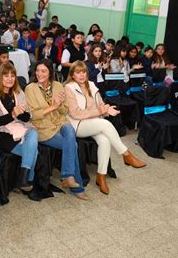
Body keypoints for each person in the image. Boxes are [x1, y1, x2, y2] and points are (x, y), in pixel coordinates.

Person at [65, 61, 146, 194]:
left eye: (83, 72)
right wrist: (101, 111)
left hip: (93, 122)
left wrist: (107, 109)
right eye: (78, 72)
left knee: (105, 140)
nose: (81, 75)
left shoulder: (91, 85)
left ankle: (101, 176)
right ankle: (126, 155)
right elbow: (75, 113)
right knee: (106, 124)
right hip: (77, 124)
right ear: (72, 75)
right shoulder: (69, 88)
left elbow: (101, 103)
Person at [25, 59, 87, 200]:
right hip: (43, 128)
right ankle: (75, 185)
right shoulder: (31, 88)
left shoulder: (58, 85)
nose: (40, 74)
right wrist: (53, 106)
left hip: (60, 122)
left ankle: (68, 176)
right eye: (38, 71)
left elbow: (64, 110)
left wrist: (59, 105)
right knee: (73, 144)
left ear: (50, 73)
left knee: (69, 130)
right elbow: (33, 116)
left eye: (44, 71)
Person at [0, 63, 42, 201]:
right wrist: (12, 114)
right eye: (6, 75)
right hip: (2, 133)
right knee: (33, 151)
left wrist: (20, 113)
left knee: (33, 133)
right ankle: (26, 181)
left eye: (12, 75)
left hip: (21, 128)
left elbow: (27, 117)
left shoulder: (19, 92)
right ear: (0, 77)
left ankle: (24, 179)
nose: (10, 78)